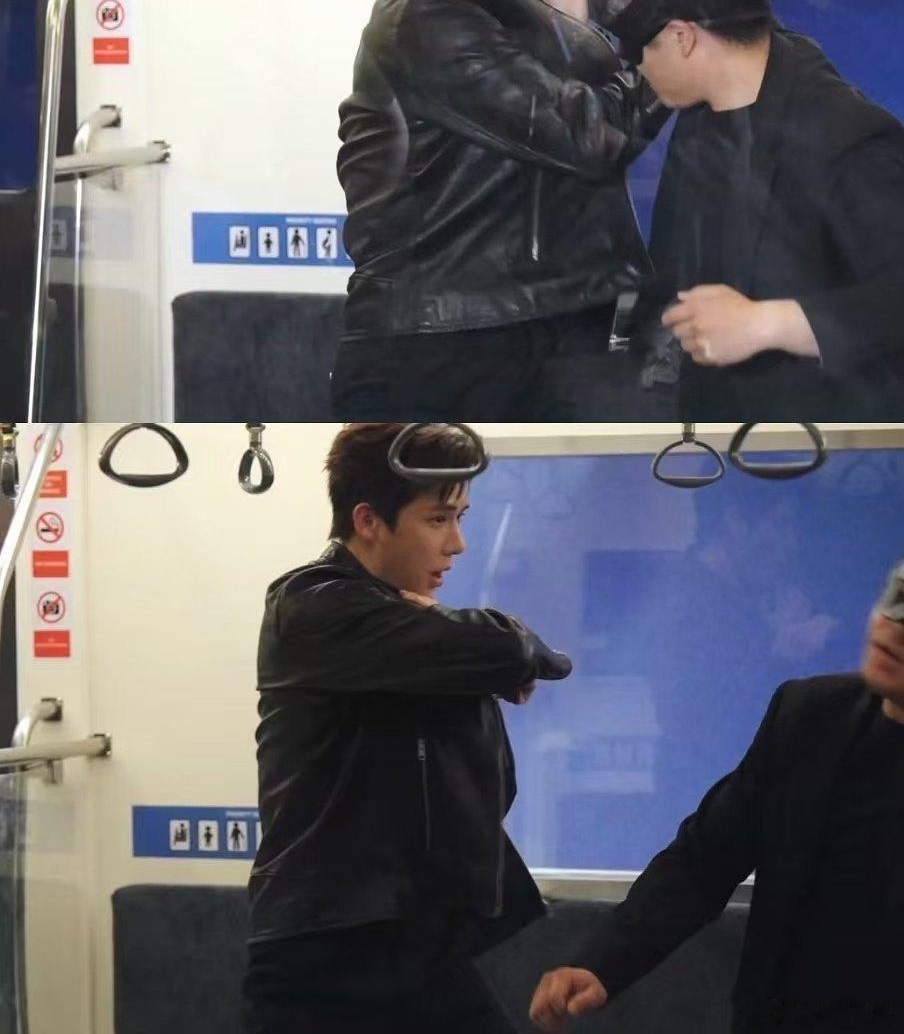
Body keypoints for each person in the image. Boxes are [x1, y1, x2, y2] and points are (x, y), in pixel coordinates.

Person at [332, 0, 673, 424]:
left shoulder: (498, 8)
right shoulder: (429, 16)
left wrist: (572, 21)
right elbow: (588, 134)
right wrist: (674, 56)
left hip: (522, 326)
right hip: (448, 346)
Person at [244, 421, 572, 1034]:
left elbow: (533, 665)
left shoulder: (401, 627)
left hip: (409, 940)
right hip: (323, 953)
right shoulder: (311, 605)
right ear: (369, 521)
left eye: (460, 518)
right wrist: (475, 646)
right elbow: (513, 652)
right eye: (437, 520)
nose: (458, 544)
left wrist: (459, 642)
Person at [530, 557, 904, 1034]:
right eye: (896, 597)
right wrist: (601, 964)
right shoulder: (810, 715)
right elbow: (704, 860)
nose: (894, 625)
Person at [578, 0, 904, 422]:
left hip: (816, 445)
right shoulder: (703, 112)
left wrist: (770, 323)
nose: (634, 69)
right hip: (711, 430)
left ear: (682, 37)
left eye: (636, 53)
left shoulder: (846, 137)